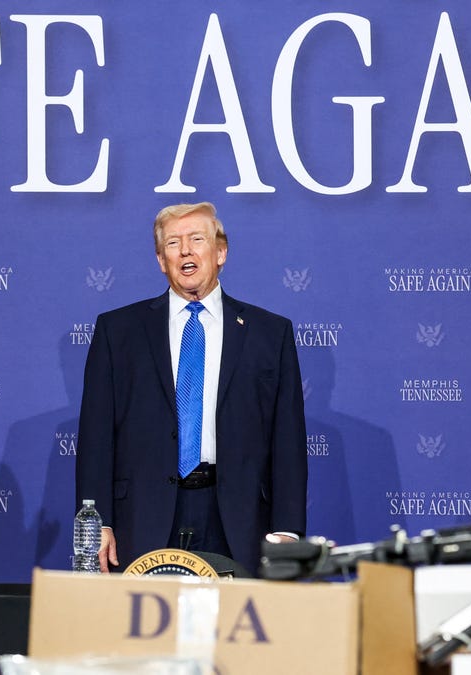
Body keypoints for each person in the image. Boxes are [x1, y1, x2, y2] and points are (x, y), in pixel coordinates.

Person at [76, 202, 307, 574]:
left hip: (238, 517)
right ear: (160, 259)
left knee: (231, 629)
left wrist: (287, 529)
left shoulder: (269, 333)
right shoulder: (118, 332)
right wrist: (97, 523)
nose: (185, 250)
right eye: (172, 243)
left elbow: (288, 440)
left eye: (197, 239)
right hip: (142, 514)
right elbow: (96, 437)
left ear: (220, 252)